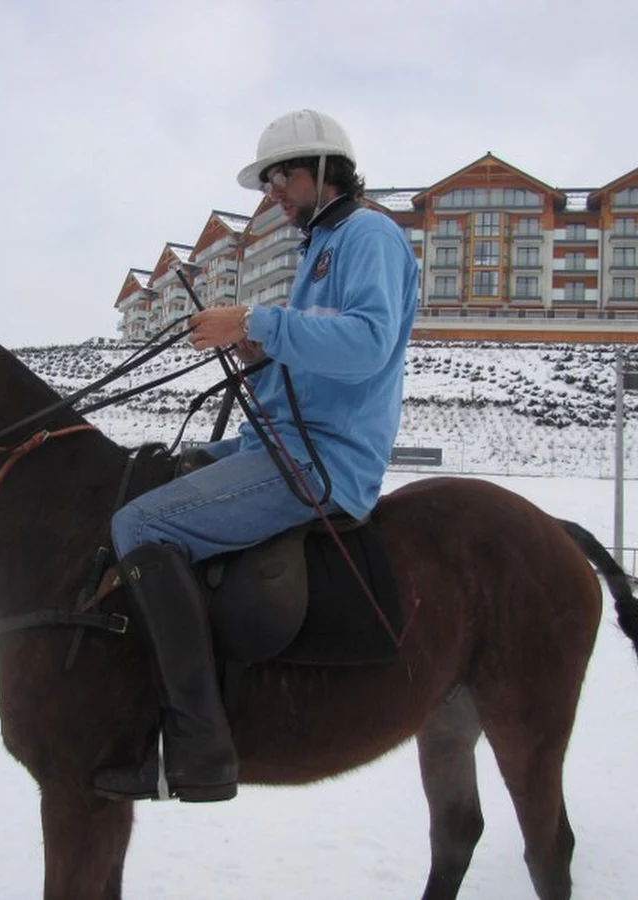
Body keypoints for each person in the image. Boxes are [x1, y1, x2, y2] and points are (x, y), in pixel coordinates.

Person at [94, 109, 420, 804]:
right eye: (267, 181)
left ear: (329, 171)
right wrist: (259, 354)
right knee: (155, 474)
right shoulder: (319, 249)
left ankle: (197, 743)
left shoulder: (369, 236)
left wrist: (251, 321)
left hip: (323, 462)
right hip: (277, 443)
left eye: (284, 175)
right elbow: (310, 367)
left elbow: (367, 344)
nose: (273, 191)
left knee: (140, 527)